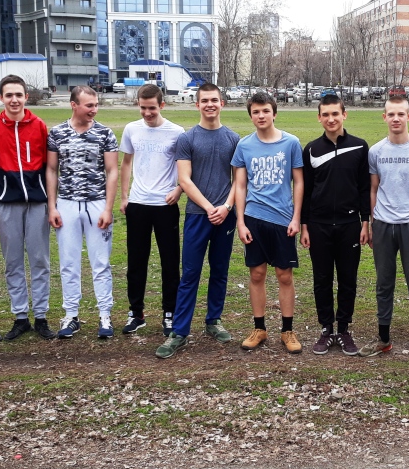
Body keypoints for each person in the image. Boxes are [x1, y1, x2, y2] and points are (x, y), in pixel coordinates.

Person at [155, 82, 240, 359]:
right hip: (197, 216)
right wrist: (209, 207)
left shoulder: (233, 139)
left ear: (222, 103)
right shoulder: (188, 138)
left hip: (225, 216)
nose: (209, 105)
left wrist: (226, 207)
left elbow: (238, 181)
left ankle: (213, 320)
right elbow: (184, 179)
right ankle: (179, 331)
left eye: (214, 100)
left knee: (220, 270)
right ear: (197, 104)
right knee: (190, 273)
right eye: (204, 101)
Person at [359, 96, 409, 361]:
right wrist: (371, 223)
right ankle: (383, 338)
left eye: (400, 114)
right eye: (391, 114)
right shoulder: (376, 151)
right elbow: (373, 189)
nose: (396, 119)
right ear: (384, 117)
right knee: (384, 283)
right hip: (383, 225)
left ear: (408, 116)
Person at [0, 74, 53, 341]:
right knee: (12, 261)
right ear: (1, 98)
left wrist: (45, 196)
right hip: (7, 204)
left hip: (37, 202)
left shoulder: (39, 125)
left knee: (39, 259)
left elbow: (48, 165)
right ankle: (21, 316)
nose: (14, 100)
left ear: (26, 97)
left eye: (18, 95)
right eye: (9, 95)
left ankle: (41, 316)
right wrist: (0, 192)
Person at [231, 92, 304, 353]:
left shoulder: (291, 143)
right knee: (257, 273)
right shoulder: (244, 145)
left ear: (274, 113)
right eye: (255, 112)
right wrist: (241, 222)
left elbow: (299, 182)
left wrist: (296, 218)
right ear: (250, 115)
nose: (261, 116)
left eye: (265, 111)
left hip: (283, 220)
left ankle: (288, 330)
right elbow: (240, 185)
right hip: (254, 218)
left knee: (284, 275)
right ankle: (259, 328)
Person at [300, 93, 370, 356]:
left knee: (348, 279)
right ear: (319, 118)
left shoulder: (360, 147)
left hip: (350, 224)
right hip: (318, 225)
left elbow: (364, 188)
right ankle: (326, 328)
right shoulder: (311, 149)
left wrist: (366, 222)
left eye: (335, 114)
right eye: (326, 115)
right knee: (322, 279)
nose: (331, 119)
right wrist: (304, 225)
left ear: (344, 115)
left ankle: (343, 329)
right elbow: (306, 191)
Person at [46, 85, 118, 339]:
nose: (94, 110)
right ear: (74, 105)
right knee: (68, 262)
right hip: (67, 204)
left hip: (97, 203)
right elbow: (51, 170)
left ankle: (105, 315)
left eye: (96, 105)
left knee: (101, 262)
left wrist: (108, 208)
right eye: (89, 105)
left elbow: (112, 171)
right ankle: (71, 315)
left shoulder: (105, 133)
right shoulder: (57, 133)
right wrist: (52, 206)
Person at [119, 84, 184, 336]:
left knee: (170, 262)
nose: (147, 113)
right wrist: (125, 196)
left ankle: (170, 313)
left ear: (162, 105)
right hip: (138, 204)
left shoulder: (176, 132)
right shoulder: (131, 129)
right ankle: (136, 313)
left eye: (152, 108)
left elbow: (186, 167)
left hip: (165, 206)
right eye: (143, 108)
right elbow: (126, 163)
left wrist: (179, 190)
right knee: (136, 262)